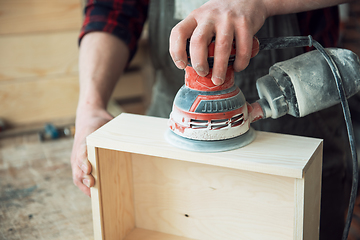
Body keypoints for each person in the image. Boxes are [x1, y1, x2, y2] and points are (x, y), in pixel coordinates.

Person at [72, 0, 353, 239]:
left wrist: (260, 3)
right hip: (170, 130)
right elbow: (113, 10)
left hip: (297, 117)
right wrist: (90, 105)